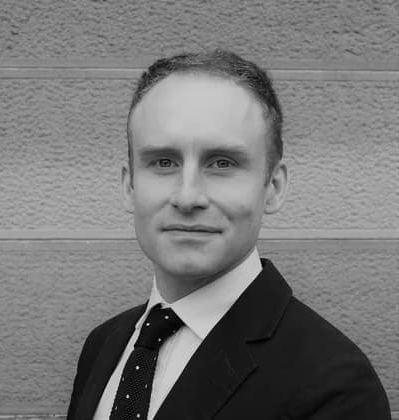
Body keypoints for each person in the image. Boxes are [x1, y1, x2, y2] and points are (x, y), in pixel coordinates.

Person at [67, 50, 391, 420]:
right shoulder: (103, 345)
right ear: (129, 186)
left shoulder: (336, 386)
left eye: (222, 163)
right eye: (163, 162)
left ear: (273, 187)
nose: (188, 197)